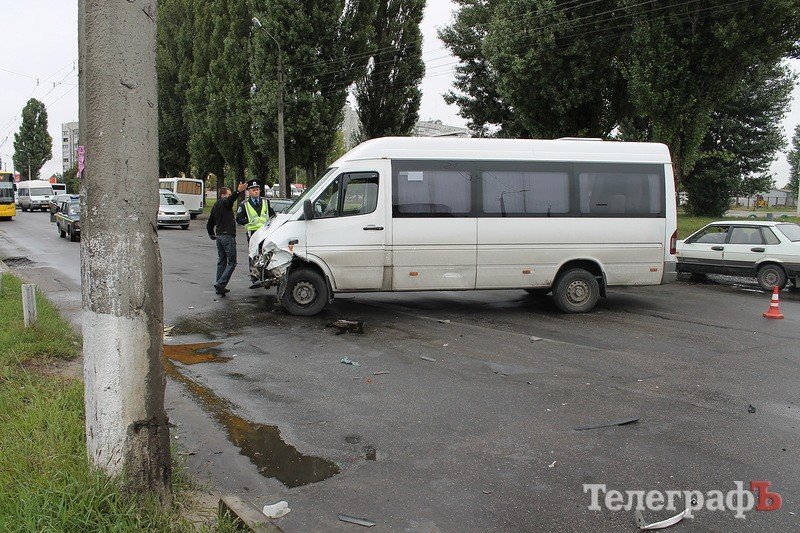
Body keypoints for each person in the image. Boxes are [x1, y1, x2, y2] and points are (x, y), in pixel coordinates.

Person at [207, 182, 246, 295]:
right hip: (227, 236)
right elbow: (230, 200)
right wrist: (238, 191)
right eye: (228, 194)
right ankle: (221, 284)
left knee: (222, 262)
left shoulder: (215, 206)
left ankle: (219, 286)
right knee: (232, 262)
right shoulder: (225, 203)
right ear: (223, 195)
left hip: (219, 236)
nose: (229, 196)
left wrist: (211, 234)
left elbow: (210, 223)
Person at [236, 179, 275, 288]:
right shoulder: (244, 205)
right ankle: (254, 276)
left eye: (257, 189)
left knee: (266, 253)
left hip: (265, 232)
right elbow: (239, 219)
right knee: (253, 254)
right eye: (253, 190)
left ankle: (266, 274)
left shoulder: (265, 202)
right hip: (252, 233)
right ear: (249, 191)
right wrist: (248, 222)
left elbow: (272, 215)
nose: (256, 192)